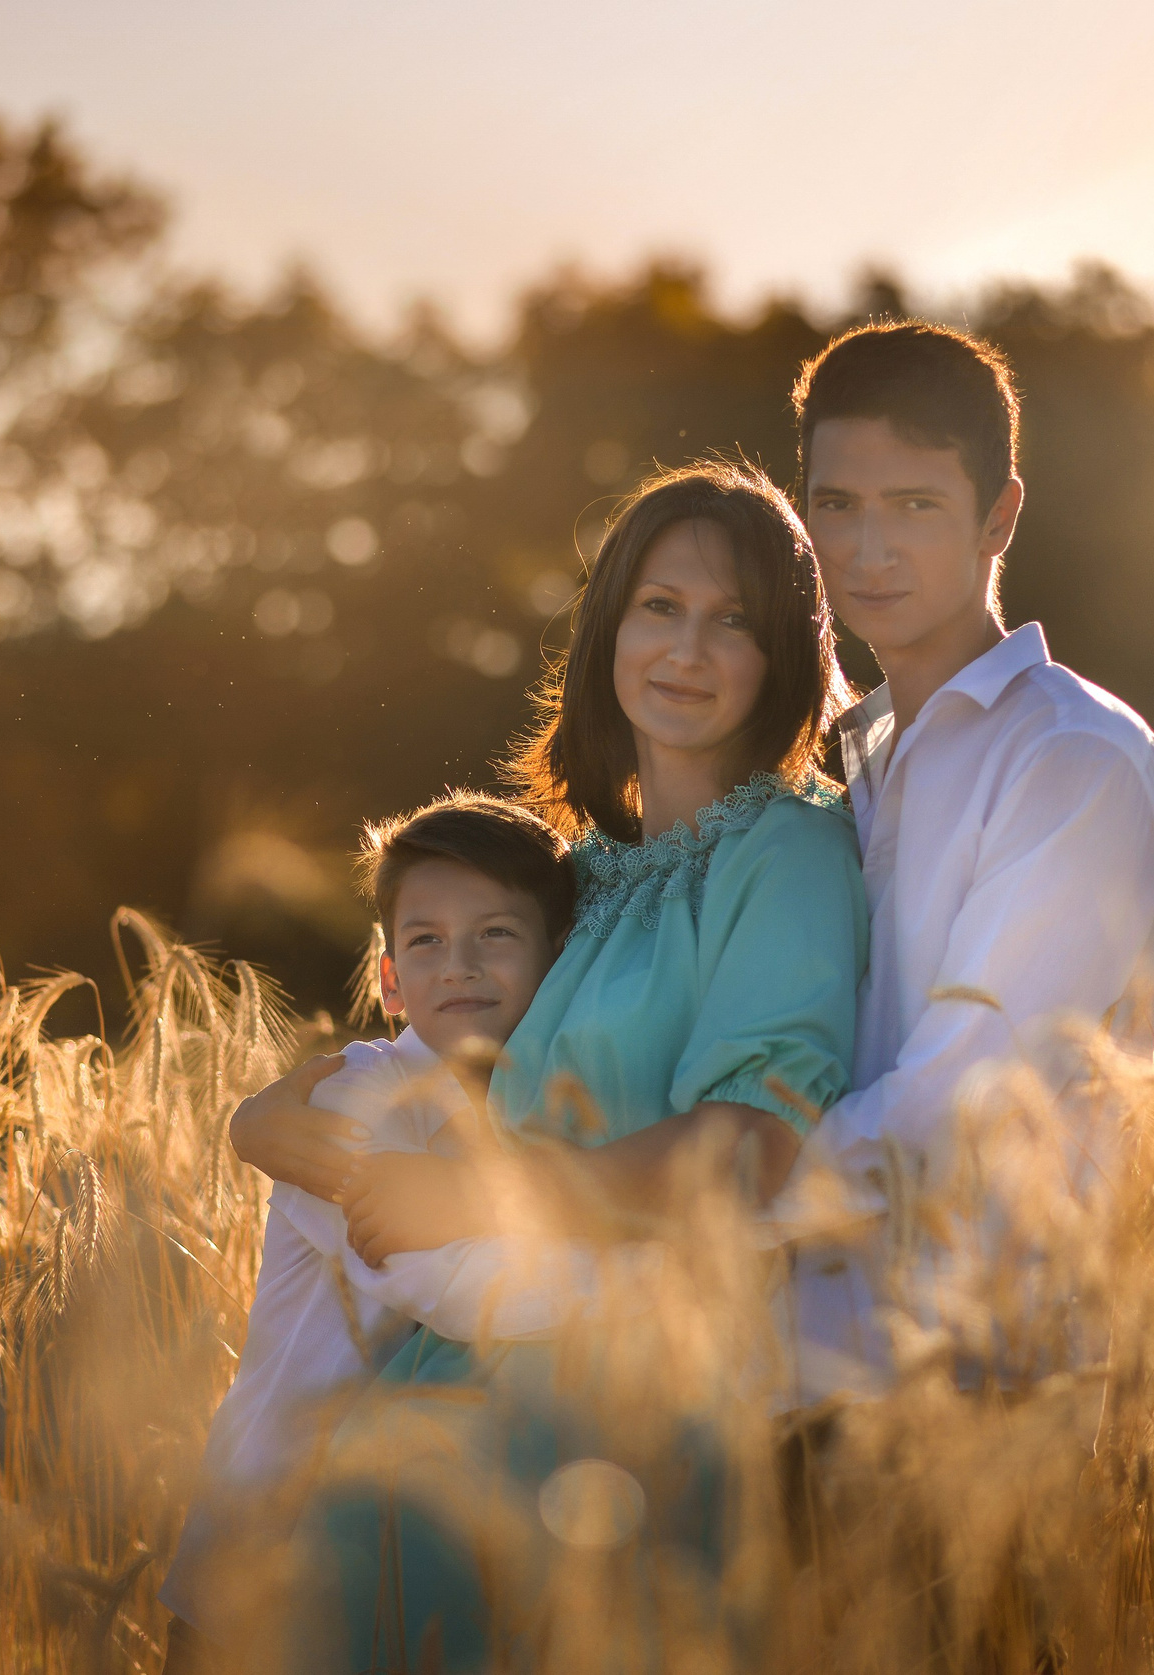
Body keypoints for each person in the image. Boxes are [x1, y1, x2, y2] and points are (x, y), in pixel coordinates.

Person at [210, 460, 868, 1671]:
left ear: (785, 654)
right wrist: (262, 1120)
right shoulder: (583, 872)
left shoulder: (789, 849)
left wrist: (474, 1199)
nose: (687, 648)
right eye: (658, 607)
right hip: (455, 1359)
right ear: (608, 628)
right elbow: (431, 1046)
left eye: (733, 621)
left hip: (618, 1398)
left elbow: (746, 1148)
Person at [776, 320, 1154, 1405]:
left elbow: (965, 1102)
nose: (866, 551)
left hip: (972, 1393)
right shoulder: (839, 768)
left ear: (999, 513)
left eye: (914, 506)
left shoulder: (1072, 757)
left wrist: (682, 1191)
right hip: (790, 1381)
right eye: (837, 505)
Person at [158, 791, 580, 1670]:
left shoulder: (533, 1117)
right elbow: (460, 1291)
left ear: (560, 959)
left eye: (497, 933)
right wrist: (675, 1262)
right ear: (390, 980)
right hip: (265, 1548)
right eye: (425, 940)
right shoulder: (348, 1101)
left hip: (385, 1565)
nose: (458, 964)